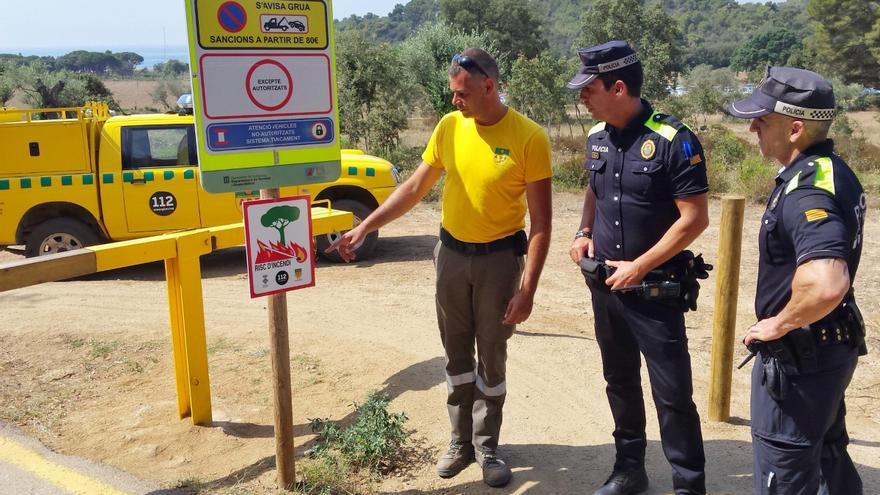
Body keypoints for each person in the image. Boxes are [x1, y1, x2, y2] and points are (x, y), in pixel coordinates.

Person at [326, 48, 552, 488]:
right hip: (450, 256)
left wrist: (527, 289)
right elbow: (414, 188)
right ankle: (459, 442)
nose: (454, 101)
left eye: (462, 93)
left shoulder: (529, 137)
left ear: (489, 86)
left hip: (500, 262)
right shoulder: (450, 128)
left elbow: (542, 223)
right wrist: (364, 226)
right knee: (456, 354)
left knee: (491, 355)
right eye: (453, 93)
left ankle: (487, 447)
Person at [566, 40, 710, 495]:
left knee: (672, 395)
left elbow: (694, 218)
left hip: (655, 290)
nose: (582, 97)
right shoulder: (596, 137)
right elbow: (593, 187)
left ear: (619, 86)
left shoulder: (673, 139)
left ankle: (688, 485)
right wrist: (582, 232)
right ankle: (630, 469)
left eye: (589, 89)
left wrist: (640, 266)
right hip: (606, 285)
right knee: (620, 380)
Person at [726, 67, 866, 494]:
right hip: (829, 349)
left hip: (800, 361)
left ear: (795, 129)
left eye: (762, 119)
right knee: (826, 456)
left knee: (784, 472)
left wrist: (778, 323)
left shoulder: (807, 189)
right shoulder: (831, 169)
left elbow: (826, 282)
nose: (752, 126)